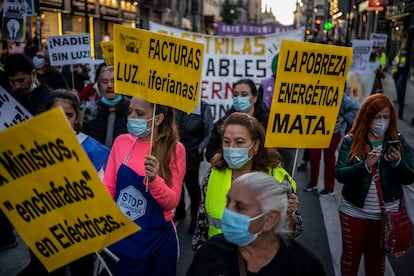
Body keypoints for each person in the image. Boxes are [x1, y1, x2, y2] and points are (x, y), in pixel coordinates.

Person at [192, 112, 301, 250]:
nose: (231, 148)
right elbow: (202, 225)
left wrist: (289, 215)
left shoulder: (277, 179)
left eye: (239, 142)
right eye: (226, 141)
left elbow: (292, 232)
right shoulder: (213, 173)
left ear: (255, 145)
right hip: (220, 258)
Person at [102, 97, 186, 275]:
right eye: (130, 111)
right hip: (121, 237)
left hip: (156, 242)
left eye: (139, 114)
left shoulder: (174, 149)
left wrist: (154, 179)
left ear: (158, 118)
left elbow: (172, 202)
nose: (132, 117)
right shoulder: (121, 142)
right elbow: (108, 190)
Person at [187, 172, 326, 275]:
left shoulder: (303, 267)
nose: (227, 211)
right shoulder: (210, 252)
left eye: (240, 207)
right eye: (228, 201)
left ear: (270, 219)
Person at [335, 93, 414, 276]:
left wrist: (397, 162)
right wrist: (364, 166)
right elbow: (340, 174)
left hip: (385, 216)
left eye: (386, 117)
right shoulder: (351, 140)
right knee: (350, 259)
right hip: (353, 212)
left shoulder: (398, 141)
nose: (381, 122)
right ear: (367, 117)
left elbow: (409, 177)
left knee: (376, 261)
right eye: (377, 116)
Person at [46, 90, 110, 275]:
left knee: (81, 269)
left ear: (77, 116)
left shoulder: (94, 151)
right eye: (56, 113)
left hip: (81, 228)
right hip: (47, 225)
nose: (63, 120)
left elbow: (102, 194)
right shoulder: (34, 146)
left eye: (69, 115)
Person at [304, 85, 360, 195]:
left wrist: (344, 116)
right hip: (315, 130)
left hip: (333, 132)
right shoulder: (314, 90)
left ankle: (329, 187)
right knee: (314, 157)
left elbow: (356, 108)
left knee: (329, 159)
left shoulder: (340, 96)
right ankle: (313, 182)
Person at [205, 79, 268, 164]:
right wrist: (222, 158)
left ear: (254, 98)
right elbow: (210, 153)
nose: (239, 98)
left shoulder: (267, 122)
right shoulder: (222, 124)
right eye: (235, 95)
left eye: (244, 94)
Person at [174, 100, 214, 234]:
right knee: (177, 183)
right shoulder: (176, 105)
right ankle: (180, 211)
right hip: (176, 152)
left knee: (192, 187)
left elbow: (210, 130)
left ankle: (195, 219)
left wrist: (201, 147)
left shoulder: (204, 107)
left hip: (192, 153)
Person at [258, 54, 296, 173]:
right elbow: (258, 110)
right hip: (268, 136)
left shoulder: (297, 85)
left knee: (287, 169)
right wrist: (270, 118)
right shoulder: (265, 84)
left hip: (288, 136)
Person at [87, 66, 130, 148]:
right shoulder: (91, 110)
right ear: (99, 86)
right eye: (105, 82)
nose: (109, 85)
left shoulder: (131, 109)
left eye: (114, 81)